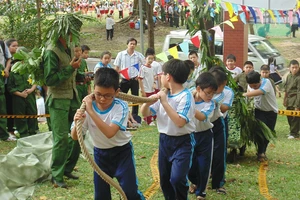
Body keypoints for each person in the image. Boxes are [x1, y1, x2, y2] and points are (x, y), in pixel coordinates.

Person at [71, 67, 145, 200]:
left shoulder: (120, 106)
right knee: (101, 196)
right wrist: (78, 121)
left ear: (117, 92)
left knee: (130, 193)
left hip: (122, 153)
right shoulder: (86, 107)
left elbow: (110, 132)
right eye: (98, 94)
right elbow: (75, 136)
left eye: (107, 95)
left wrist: (91, 112)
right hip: (100, 155)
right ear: (94, 88)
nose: (102, 99)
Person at [141, 59, 196, 200]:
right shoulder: (163, 94)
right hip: (165, 141)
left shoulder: (186, 96)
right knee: (165, 180)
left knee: (177, 179)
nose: (160, 76)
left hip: (183, 142)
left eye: (162, 73)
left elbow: (180, 122)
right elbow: (145, 113)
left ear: (168, 77)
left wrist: (164, 102)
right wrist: (149, 101)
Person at [43, 15, 83, 188]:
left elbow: (73, 73)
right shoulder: (52, 51)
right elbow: (50, 79)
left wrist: (82, 75)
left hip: (73, 96)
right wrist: (70, 69)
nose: (76, 36)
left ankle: (67, 167)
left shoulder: (70, 47)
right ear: (64, 32)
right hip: (58, 99)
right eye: (73, 32)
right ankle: (56, 175)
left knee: (79, 134)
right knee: (61, 139)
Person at [188, 72, 217, 200]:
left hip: (205, 137)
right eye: (208, 93)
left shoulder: (210, 103)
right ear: (198, 89)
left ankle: (201, 192)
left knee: (204, 165)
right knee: (190, 165)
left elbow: (202, 116)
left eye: (213, 93)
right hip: (189, 136)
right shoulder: (187, 95)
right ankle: (194, 182)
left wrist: (188, 106)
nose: (210, 96)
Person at [243, 71, 278, 161]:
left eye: (255, 86)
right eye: (251, 86)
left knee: (268, 133)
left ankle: (263, 150)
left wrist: (244, 95)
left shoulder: (266, 82)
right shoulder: (250, 85)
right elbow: (249, 96)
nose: (252, 88)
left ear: (259, 81)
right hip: (258, 111)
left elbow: (260, 91)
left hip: (271, 112)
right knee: (259, 132)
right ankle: (260, 152)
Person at [210, 67, 234, 194]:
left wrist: (210, 101)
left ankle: (218, 183)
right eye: (222, 85)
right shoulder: (202, 89)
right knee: (201, 152)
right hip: (202, 125)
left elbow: (224, 109)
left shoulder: (228, 92)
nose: (224, 87)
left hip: (219, 123)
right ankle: (197, 182)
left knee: (219, 152)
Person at [7, 50, 38, 138]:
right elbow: (10, 87)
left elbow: (36, 81)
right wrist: (20, 94)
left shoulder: (30, 70)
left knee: (32, 113)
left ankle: (33, 132)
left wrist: (31, 89)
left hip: (30, 95)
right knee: (20, 116)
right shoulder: (13, 73)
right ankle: (23, 133)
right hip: (18, 98)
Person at [114, 38, 144, 117]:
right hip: (124, 79)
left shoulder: (138, 55)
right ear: (127, 44)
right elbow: (116, 67)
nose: (132, 45)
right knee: (120, 97)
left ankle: (134, 116)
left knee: (135, 98)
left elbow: (144, 66)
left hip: (134, 79)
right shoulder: (121, 54)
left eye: (134, 44)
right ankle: (119, 113)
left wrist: (139, 75)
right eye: (131, 44)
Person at [0, 39, 15, 141]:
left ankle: (4, 135)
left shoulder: (1, 43)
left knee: (2, 108)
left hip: (1, 78)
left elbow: (9, 58)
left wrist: (6, 69)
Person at [138, 49, 156, 125]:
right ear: (145, 59)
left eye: (152, 59)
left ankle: (147, 118)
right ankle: (149, 120)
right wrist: (143, 90)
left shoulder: (152, 68)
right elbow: (140, 79)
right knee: (147, 104)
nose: (150, 60)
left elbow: (153, 77)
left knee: (153, 103)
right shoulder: (143, 68)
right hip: (146, 89)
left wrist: (154, 84)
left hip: (151, 89)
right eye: (149, 59)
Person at [283, 59, 300, 139]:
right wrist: (284, 99)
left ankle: (294, 133)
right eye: (293, 67)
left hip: (296, 98)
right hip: (289, 99)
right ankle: (292, 131)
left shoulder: (299, 78)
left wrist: (297, 105)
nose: (294, 69)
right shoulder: (289, 76)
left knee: (295, 117)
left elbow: (299, 92)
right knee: (289, 115)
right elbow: (286, 88)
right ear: (289, 68)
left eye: (296, 67)